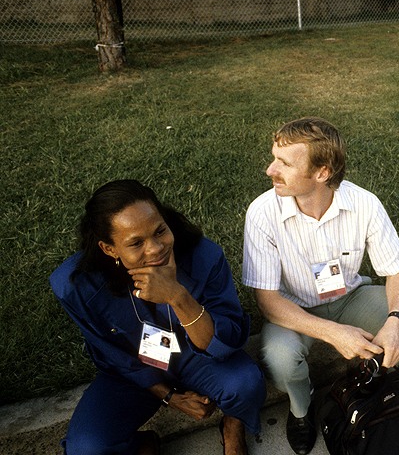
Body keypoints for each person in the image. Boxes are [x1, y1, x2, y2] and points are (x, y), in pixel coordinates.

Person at [242, 117, 399, 455]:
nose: (269, 170)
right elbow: (267, 301)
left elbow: (397, 272)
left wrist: (395, 320)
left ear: (322, 172)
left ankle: (373, 379)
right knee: (279, 357)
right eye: (274, 157)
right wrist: (334, 334)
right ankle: (301, 411)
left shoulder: (365, 203)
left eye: (284, 163)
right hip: (295, 309)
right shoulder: (262, 213)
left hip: (350, 297)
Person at [50, 180, 266, 455]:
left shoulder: (204, 256)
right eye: (136, 243)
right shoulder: (75, 286)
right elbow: (111, 355)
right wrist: (168, 396)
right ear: (109, 248)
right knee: (87, 448)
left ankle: (233, 426)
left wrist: (178, 296)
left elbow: (229, 339)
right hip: (136, 370)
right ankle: (143, 443)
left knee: (246, 385)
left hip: (197, 357)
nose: (155, 249)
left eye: (160, 231)